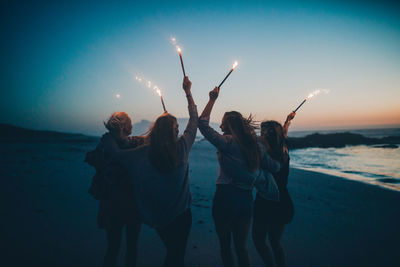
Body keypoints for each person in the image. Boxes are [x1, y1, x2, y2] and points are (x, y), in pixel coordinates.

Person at [101, 76, 197, 267]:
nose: (178, 131)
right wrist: (188, 92)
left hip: (160, 219)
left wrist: (111, 136)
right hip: (182, 216)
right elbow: (194, 119)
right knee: (176, 255)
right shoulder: (183, 147)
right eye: (176, 127)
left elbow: (115, 153)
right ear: (171, 131)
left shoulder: (142, 152)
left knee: (172, 253)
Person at [198, 86, 280, 267]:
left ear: (230, 125)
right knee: (241, 247)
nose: (220, 126)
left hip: (226, 197)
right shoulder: (256, 145)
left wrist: (212, 99)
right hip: (246, 199)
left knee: (225, 246)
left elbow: (202, 125)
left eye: (223, 123)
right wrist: (281, 147)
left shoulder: (227, 142)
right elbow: (274, 166)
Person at [85, 112, 144, 267]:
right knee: (124, 248)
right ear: (124, 126)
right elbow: (118, 156)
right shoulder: (113, 143)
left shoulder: (113, 143)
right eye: (130, 123)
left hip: (118, 204)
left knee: (117, 247)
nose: (132, 126)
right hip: (121, 203)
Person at [252, 112, 296, 267]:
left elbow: (273, 165)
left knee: (263, 240)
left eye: (262, 131)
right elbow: (282, 135)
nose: (260, 134)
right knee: (271, 241)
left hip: (271, 200)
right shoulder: (282, 146)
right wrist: (287, 122)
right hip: (278, 199)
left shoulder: (275, 153)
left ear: (269, 134)